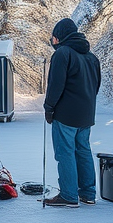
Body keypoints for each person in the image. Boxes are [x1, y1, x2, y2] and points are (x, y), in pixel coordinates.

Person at [42, 18, 101, 207]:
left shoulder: (62, 54)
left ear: (59, 37)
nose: (52, 40)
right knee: (83, 151)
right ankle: (88, 193)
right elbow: (96, 85)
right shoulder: (91, 57)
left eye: (53, 37)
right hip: (86, 114)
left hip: (66, 114)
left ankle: (68, 195)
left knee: (65, 153)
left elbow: (55, 85)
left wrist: (49, 107)